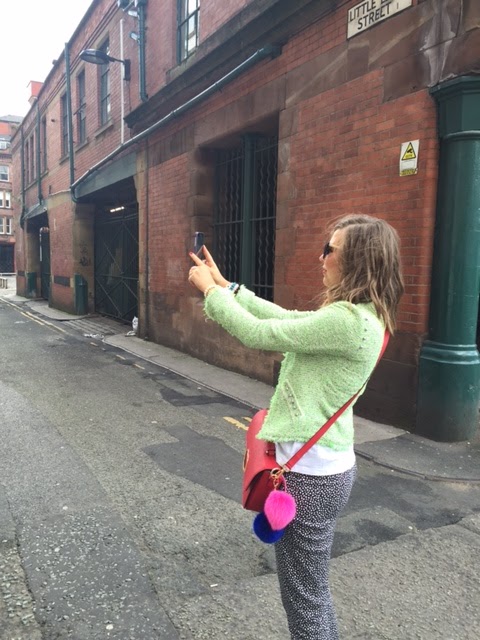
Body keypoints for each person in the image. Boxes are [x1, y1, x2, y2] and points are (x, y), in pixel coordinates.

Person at [187, 214, 404, 640]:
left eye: (330, 250)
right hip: (323, 469)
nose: (321, 257)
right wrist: (229, 287)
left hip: (310, 476)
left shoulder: (348, 321)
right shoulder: (363, 317)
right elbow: (286, 320)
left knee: (305, 598)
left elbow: (258, 333)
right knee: (311, 592)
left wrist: (210, 292)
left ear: (358, 260)